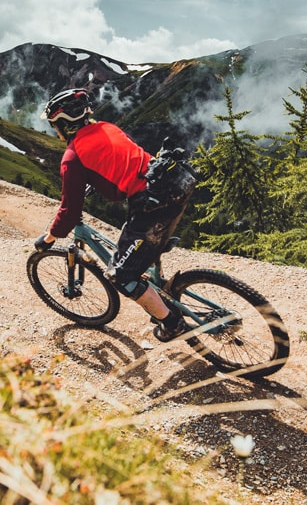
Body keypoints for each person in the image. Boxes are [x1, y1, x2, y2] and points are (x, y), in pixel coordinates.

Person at [34, 88, 194, 342]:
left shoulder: (72, 158)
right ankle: (162, 286)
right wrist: (95, 181)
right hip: (174, 182)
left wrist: (50, 237)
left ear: (63, 124)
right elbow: (120, 158)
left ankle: (172, 324)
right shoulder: (108, 127)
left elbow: (70, 211)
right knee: (134, 243)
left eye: (55, 125)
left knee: (121, 276)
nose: (55, 130)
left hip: (153, 204)